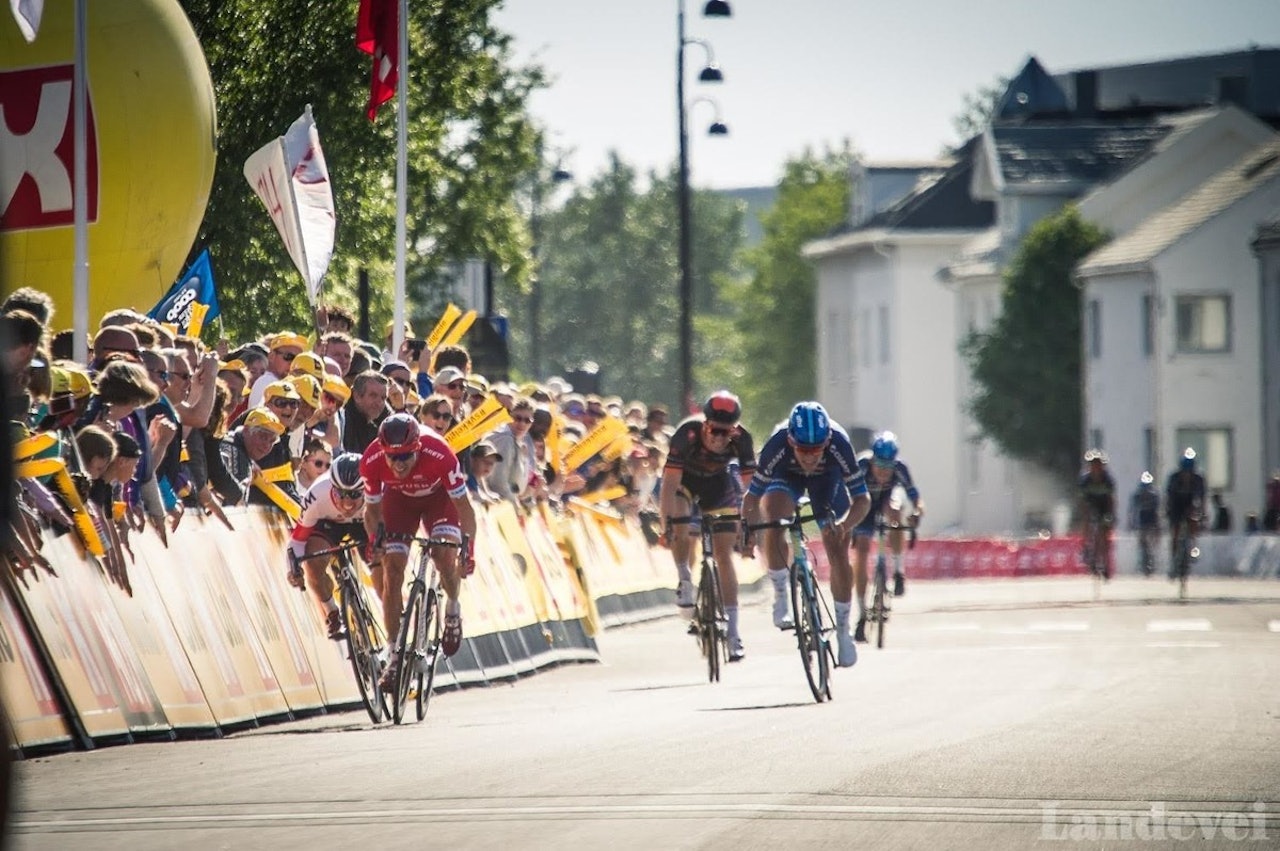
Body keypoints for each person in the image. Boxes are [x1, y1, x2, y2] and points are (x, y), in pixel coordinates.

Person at [743, 402, 870, 667]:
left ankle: (843, 630)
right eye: (803, 450)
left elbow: (862, 500)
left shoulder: (839, 444)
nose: (810, 457)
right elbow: (752, 498)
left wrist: (844, 525)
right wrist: (750, 531)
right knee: (775, 516)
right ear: (791, 441)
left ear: (827, 442)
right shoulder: (776, 446)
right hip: (786, 477)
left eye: (817, 449)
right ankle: (780, 593)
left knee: (837, 546)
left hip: (827, 481)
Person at [360, 413, 477, 691]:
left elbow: (465, 509)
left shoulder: (440, 454)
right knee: (392, 570)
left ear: (418, 448)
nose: (398, 464)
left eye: (405, 457)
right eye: (392, 457)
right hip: (399, 503)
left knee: (441, 554)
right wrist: (376, 540)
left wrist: (468, 549)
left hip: (440, 501)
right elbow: (372, 510)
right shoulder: (372, 460)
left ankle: (452, 607)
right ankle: (394, 653)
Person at [658, 391, 755, 662]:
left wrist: (750, 529)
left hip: (718, 486)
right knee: (679, 518)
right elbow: (668, 485)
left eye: (725, 434)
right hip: (685, 483)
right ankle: (685, 580)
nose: (718, 438)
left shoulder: (742, 440)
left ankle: (734, 633)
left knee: (724, 556)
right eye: (714, 430)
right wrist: (665, 523)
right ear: (704, 424)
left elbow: (752, 491)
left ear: (733, 431)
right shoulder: (686, 434)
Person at [287, 452, 370, 640]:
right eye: (341, 494)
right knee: (312, 563)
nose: (347, 503)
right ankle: (331, 611)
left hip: (365, 521)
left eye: (355, 495)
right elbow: (298, 540)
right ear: (332, 487)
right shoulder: (317, 494)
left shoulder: (379, 489)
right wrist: (293, 570)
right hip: (328, 523)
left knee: (382, 564)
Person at [851, 431, 924, 627]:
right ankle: (862, 613)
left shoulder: (900, 468)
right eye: (880, 465)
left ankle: (899, 572)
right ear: (872, 458)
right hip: (863, 506)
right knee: (862, 551)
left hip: (885, 502)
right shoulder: (861, 466)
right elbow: (845, 496)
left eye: (888, 466)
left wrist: (917, 512)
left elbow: (915, 497)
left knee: (896, 510)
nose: (884, 471)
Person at [1165, 448, 1206, 577]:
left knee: (1194, 519)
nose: (1187, 475)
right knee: (1175, 533)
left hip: (1190, 505)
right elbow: (1168, 498)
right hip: (1176, 505)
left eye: (1189, 472)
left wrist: (1202, 514)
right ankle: (1174, 560)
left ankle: (1193, 544)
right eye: (1185, 472)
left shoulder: (1198, 480)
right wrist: (1167, 512)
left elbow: (1202, 499)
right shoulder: (1174, 478)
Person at [1077, 449, 1116, 580]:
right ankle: (1087, 546)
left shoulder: (1108, 480)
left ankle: (1104, 562)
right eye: (1093, 465)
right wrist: (1085, 515)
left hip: (1104, 506)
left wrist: (1111, 516)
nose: (1096, 468)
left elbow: (1111, 500)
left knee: (1104, 533)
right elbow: (1082, 501)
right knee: (1088, 522)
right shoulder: (1085, 480)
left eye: (1098, 465)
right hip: (1090, 505)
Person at [1128, 471, 1161, 576]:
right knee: (1142, 541)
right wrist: (1131, 522)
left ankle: (1151, 560)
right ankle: (1143, 559)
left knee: (1151, 541)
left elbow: (1158, 511)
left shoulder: (1154, 495)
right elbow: (1132, 510)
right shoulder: (1137, 495)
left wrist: (1158, 526)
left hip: (1152, 520)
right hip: (1142, 520)